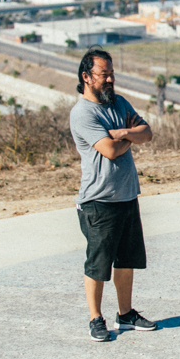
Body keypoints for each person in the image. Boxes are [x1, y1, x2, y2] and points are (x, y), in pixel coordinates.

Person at [69, 48, 156, 342]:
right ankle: (95, 318)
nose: (110, 79)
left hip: (127, 196)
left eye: (111, 73)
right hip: (98, 201)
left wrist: (123, 133)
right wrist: (127, 134)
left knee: (126, 260)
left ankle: (125, 314)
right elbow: (109, 149)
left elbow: (147, 132)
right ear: (86, 77)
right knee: (98, 264)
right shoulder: (82, 113)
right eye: (103, 74)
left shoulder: (118, 102)